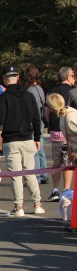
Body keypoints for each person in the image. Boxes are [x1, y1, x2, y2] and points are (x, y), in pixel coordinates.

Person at [0, 66, 44, 217]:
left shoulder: (3, 98)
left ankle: (18, 206)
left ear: (5, 80)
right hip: (27, 138)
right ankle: (37, 204)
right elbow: (36, 118)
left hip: (11, 140)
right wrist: (37, 137)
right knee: (30, 172)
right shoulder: (29, 96)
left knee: (16, 175)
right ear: (17, 77)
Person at [45, 67, 75, 202]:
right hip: (67, 133)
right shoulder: (71, 92)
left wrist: (50, 124)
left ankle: (56, 190)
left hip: (56, 132)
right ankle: (66, 190)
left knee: (57, 163)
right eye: (73, 76)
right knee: (67, 162)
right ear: (68, 77)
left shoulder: (53, 91)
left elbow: (47, 112)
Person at [22, 64, 49, 184]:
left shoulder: (29, 91)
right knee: (41, 149)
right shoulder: (40, 88)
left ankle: (37, 176)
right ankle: (43, 174)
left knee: (35, 150)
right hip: (41, 121)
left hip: (33, 122)